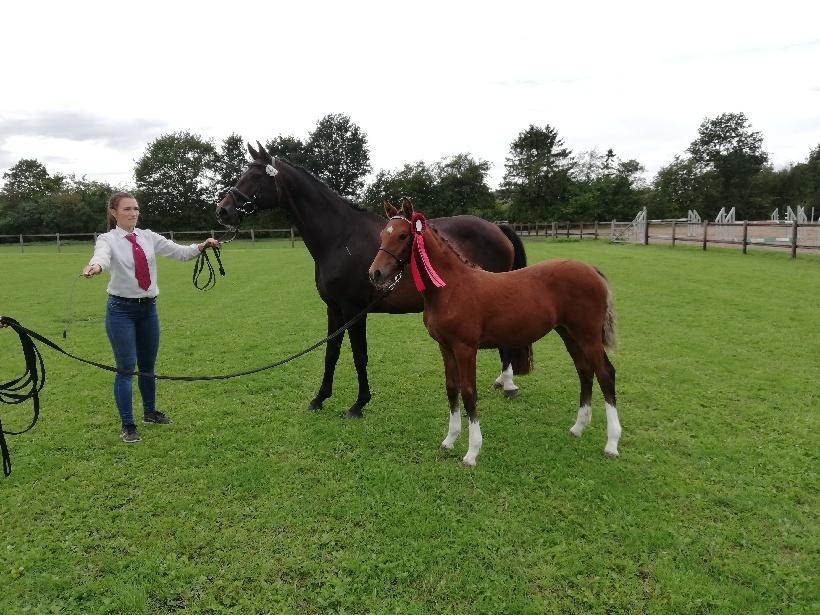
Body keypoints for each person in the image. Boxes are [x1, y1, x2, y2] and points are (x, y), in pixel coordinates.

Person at [83, 192, 219, 443]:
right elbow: (101, 257)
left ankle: (150, 412)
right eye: (127, 209)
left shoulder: (148, 236)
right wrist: (96, 266)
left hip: (148, 310)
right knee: (126, 368)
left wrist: (202, 246)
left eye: (136, 208)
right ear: (114, 212)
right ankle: (128, 425)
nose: (133, 213)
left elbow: (179, 252)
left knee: (147, 366)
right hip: (121, 310)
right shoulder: (107, 239)